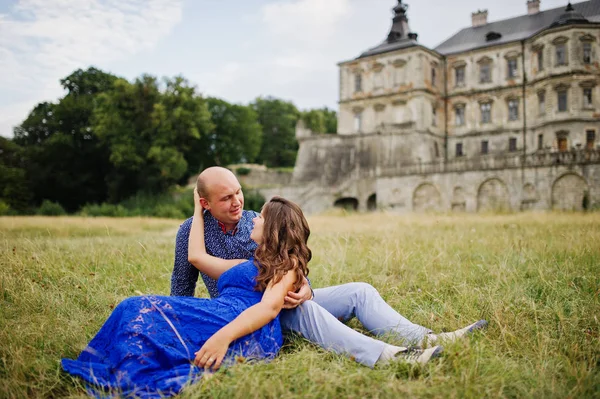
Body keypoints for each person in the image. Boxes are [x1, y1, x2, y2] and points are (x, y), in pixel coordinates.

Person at [172, 167, 486, 368]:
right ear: (206, 203)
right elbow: (183, 284)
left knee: (360, 291)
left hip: (280, 297)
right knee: (302, 312)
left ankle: (428, 340)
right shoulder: (192, 231)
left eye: (238, 191)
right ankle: (389, 357)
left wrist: (305, 288)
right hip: (249, 311)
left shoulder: (257, 220)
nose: (238, 202)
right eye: (226, 198)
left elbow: (288, 265)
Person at [62, 195, 312, 398]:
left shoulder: (287, 264)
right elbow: (196, 257)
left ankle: (126, 372)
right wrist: (198, 210)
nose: (255, 219)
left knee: (139, 309)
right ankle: (114, 364)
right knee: (133, 307)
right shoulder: (253, 262)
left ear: (273, 228)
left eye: (262, 216)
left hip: (239, 325)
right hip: (221, 311)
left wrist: (223, 338)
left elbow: (268, 309)